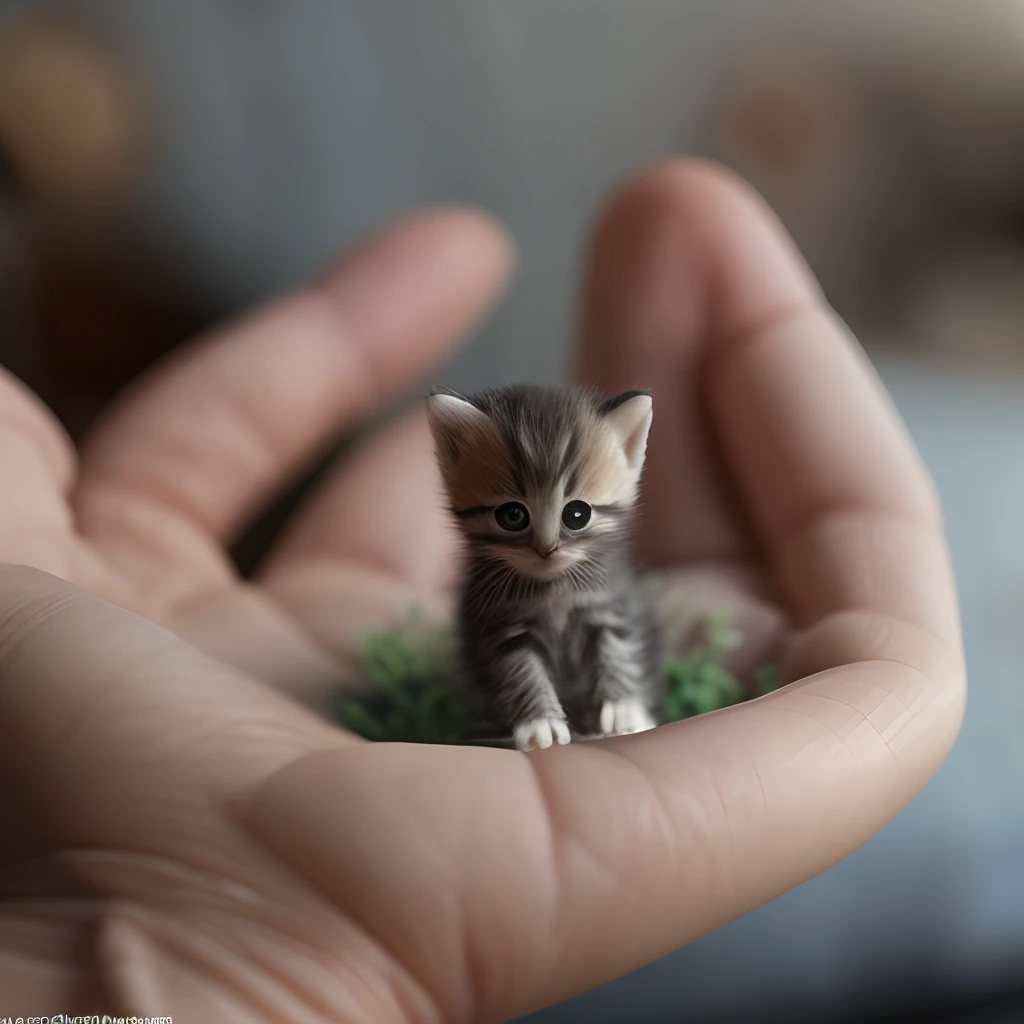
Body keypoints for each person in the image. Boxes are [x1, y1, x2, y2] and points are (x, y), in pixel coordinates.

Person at [0, 160, 964, 1020]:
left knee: (609, 635)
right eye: (514, 520)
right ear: (457, 473)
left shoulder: (605, 535)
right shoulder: (486, 580)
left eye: (574, 520)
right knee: (511, 649)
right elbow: (506, 653)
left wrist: (624, 703)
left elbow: (615, 630)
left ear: (628, 462)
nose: (546, 544)